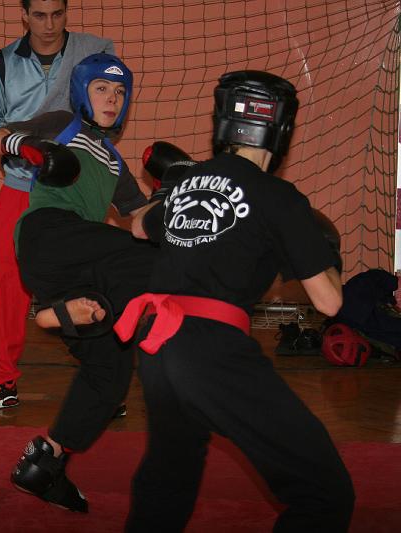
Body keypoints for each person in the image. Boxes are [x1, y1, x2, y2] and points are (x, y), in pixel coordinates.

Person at [115, 70, 354, 531]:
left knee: (169, 480)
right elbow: (328, 303)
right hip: (213, 353)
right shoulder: (280, 197)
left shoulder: (190, 182)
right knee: (325, 493)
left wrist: (175, 186)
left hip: (158, 350)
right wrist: (327, 258)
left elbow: (140, 227)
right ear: (282, 129)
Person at [0, 53, 158, 512]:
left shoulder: (114, 162)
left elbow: (141, 221)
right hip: (48, 236)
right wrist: (28, 146)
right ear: (82, 92)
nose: (112, 99)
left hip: (75, 273)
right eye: (102, 89)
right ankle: (54, 313)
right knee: (139, 262)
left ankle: (46, 464)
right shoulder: (62, 125)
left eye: (119, 92)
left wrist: (181, 196)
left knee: (111, 373)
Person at [0, 0, 116, 413]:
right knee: (5, 274)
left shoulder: (95, 50)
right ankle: (0, 380)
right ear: (24, 15)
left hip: (74, 188)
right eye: (39, 15)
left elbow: (108, 111)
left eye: (57, 14)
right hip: (20, 183)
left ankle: (106, 380)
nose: (49, 24)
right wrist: (23, 143)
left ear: (66, 12)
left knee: (85, 283)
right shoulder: (3, 62)